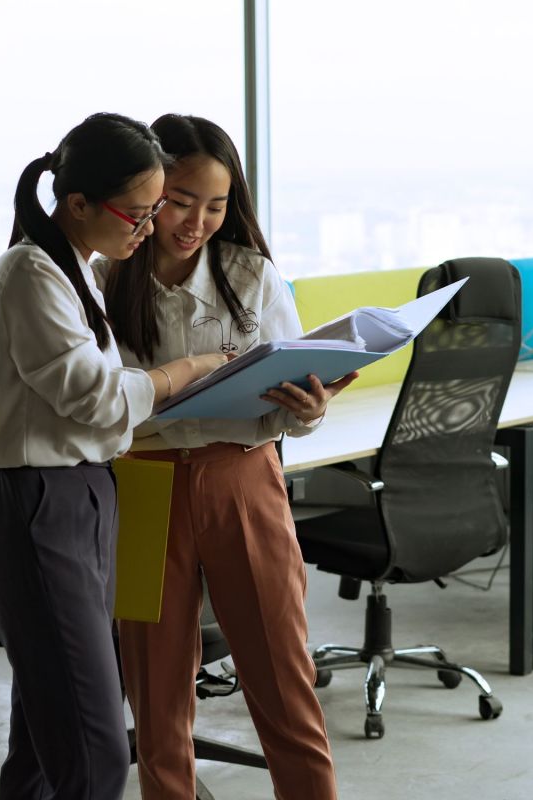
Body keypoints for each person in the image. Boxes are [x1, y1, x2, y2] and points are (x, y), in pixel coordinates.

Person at [0, 112, 229, 800]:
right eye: (137, 214)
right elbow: (98, 400)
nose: (148, 230)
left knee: (44, 741)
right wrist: (189, 369)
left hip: (82, 497)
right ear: (76, 203)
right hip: (38, 506)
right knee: (94, 750)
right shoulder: (31, 274)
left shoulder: (78, 267)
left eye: (152, 212)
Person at [97, 113, 355, 800]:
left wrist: (309, 408)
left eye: (215, 205)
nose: (197, 221)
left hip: (242, 479)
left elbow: (290, 400)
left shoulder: (251, 275)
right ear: (149, 190)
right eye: (181, 201)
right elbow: (92, 405)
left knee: (282, 679)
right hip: (144, 488)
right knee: (156, 701)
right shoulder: (104, 277)